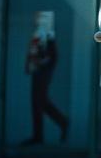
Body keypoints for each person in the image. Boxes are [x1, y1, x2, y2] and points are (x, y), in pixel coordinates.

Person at [21, 11, 69, 145]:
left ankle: (60, 123)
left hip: (43, 71)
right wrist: (29, 65)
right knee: (38, 102)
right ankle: (39, 135)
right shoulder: (39, 32)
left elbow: (52, 56)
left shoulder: (48, 35)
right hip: (37, 70)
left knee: (40, 101)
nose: (36, 19)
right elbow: (33, 51)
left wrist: (40, 64)